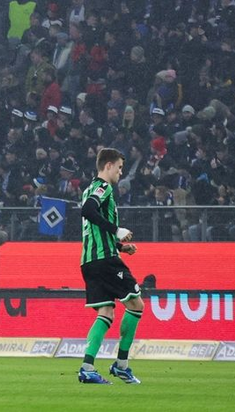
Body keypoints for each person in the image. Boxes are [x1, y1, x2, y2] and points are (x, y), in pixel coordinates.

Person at [77, 147, 143, 386]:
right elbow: (88, 211)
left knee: (106, 313)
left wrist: (119, 245)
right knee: (136, 304)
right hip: (104, 260)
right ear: (108, 166)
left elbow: (92, 224)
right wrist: (116, 230)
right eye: (119, 167)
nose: (120, 172)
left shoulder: (88, 190)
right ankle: (122, 365)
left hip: (91, 260)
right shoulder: (103, 188)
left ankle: (87, 368)